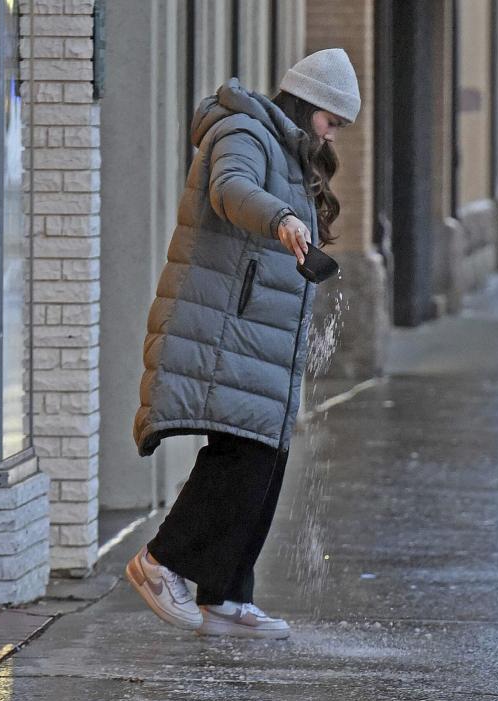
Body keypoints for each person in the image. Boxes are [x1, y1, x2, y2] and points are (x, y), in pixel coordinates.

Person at [125, 49, 360, 639]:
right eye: (332, 119)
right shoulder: (243, 130)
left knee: (266, 456)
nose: (333, 134)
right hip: (227, 328)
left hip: (258, 334)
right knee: (243, 454)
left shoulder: (287, 149)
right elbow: (230, 189)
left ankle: (226, 594)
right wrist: (281, 217)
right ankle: (161, 563)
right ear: (308, 104)